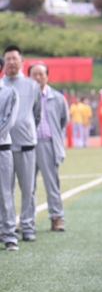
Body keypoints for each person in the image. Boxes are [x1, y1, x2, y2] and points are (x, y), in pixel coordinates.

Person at [2, 46, 42, 243]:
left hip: (25, 145)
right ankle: (5, 227)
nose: (11, 62)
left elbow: (37, 113)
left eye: (14, 58)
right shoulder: (1, 85)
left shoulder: (32, 85)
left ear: (22, 61)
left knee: (28, 188)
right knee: (4, 191)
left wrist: (26, 128)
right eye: (7, 59)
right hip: (3, 146)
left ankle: (27, 226)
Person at [28, 63, 69, 232]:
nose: (38, 78)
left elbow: (63, 119)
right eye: (34, 74)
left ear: (47, 77)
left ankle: (56, 218)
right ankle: (28, 221)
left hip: (48, 144)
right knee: (28, 186)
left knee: (52, 183)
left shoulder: (57, 98)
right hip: (27, 145)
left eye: (41, 74)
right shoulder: (24, 96)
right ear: (29, 77)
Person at [0, 55, 19, 251]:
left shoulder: (9, 92)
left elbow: (8, 121)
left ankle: (9, 236)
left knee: (5, 193)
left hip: (2, 149)